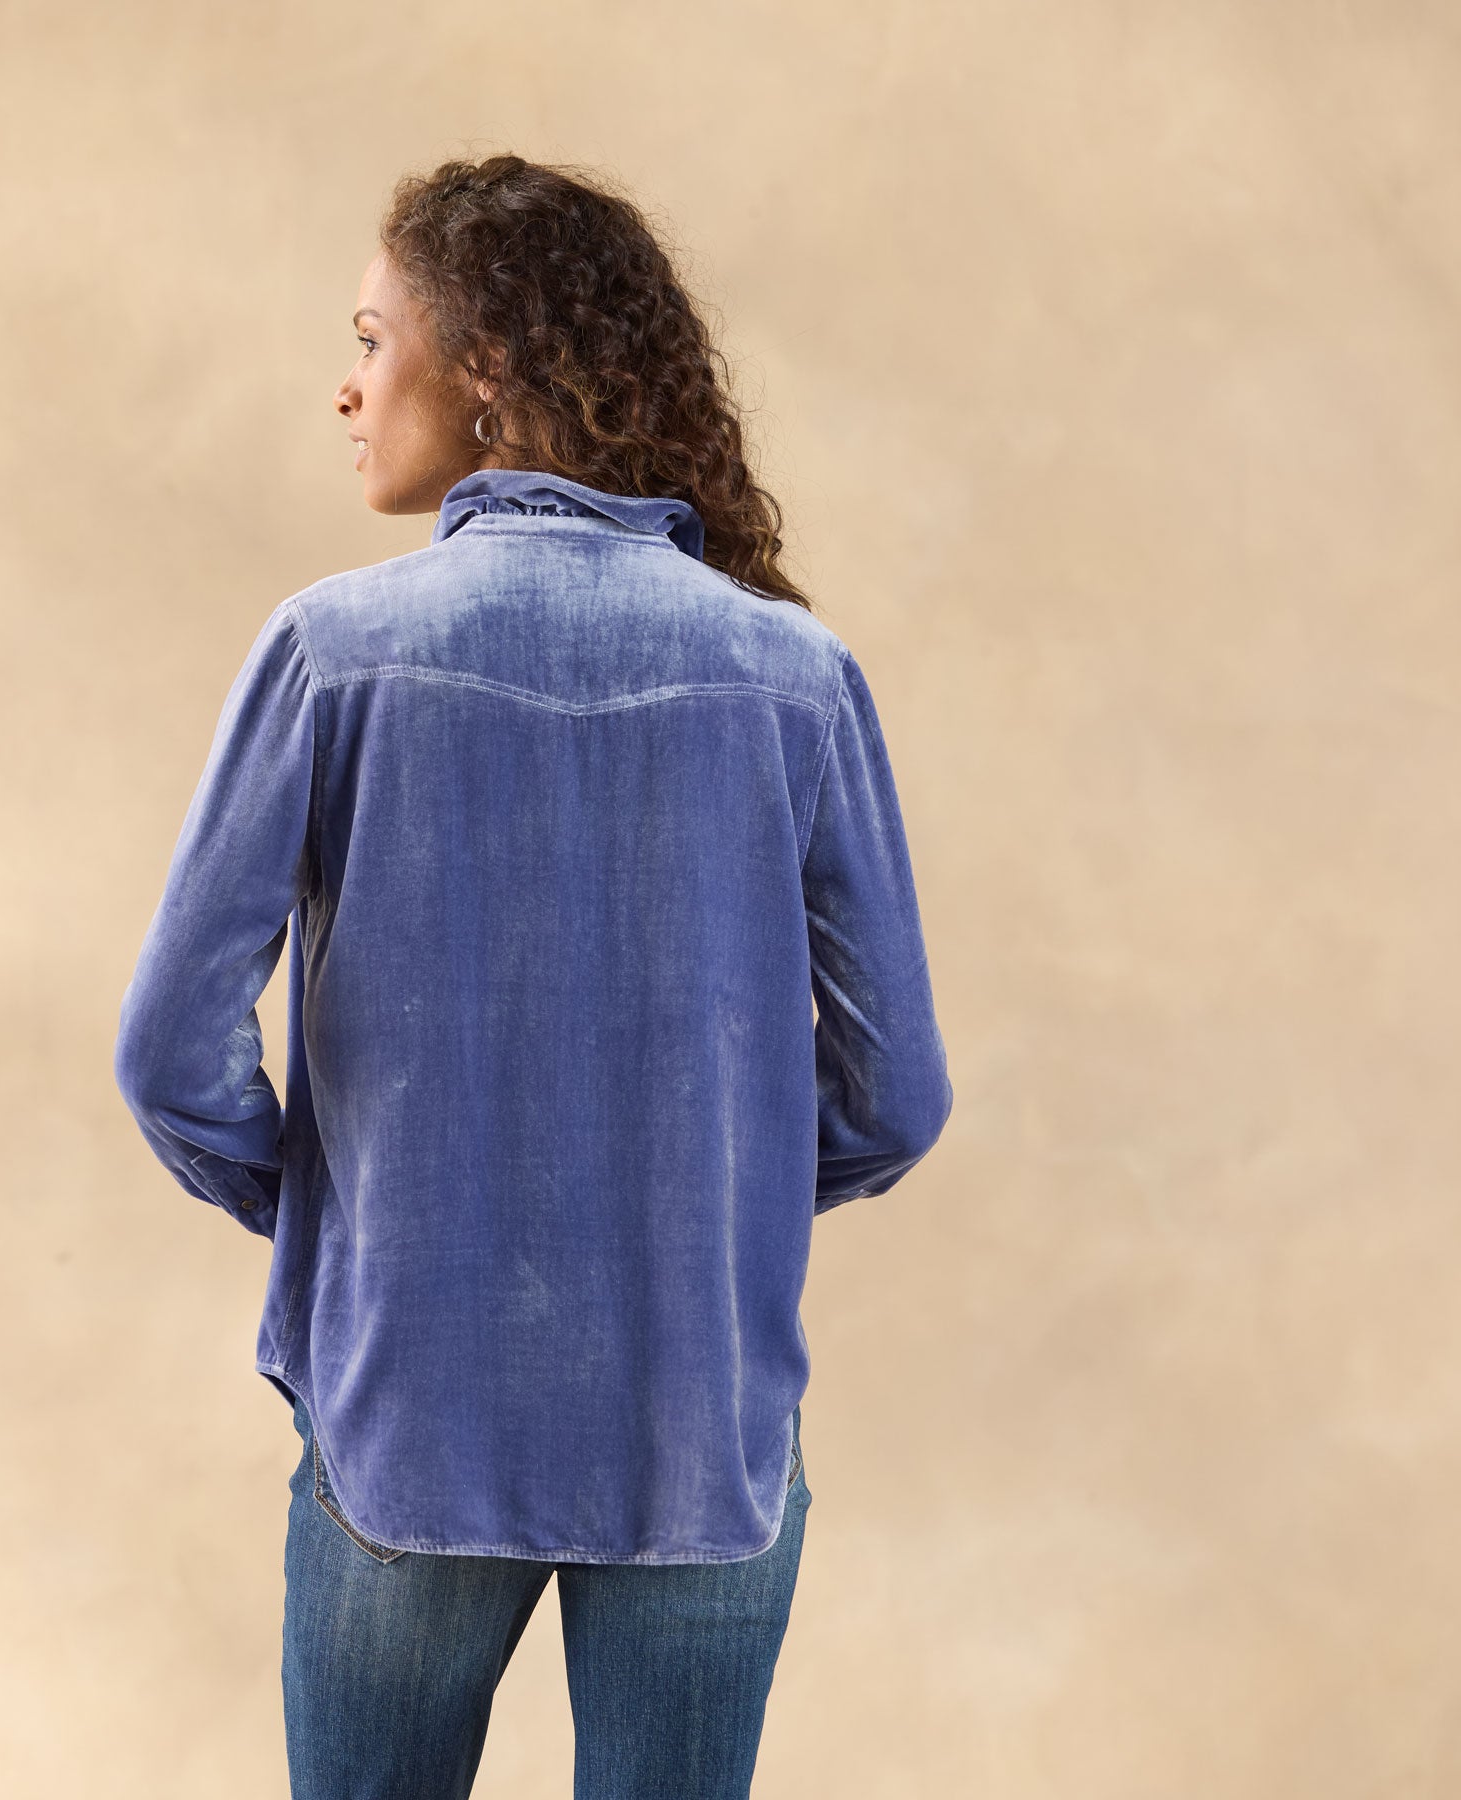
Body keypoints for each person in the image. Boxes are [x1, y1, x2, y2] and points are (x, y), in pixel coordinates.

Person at [113, 154, 953, 1798]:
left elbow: (169, 1053)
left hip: (409, 1410)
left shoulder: (331, 654)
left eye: (374, 342)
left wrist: (344, 1216)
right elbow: (898, 1097)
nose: (347, 388)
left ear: (485, 367)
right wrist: (704, 1205)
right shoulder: (797, 677)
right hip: (699, 1425)